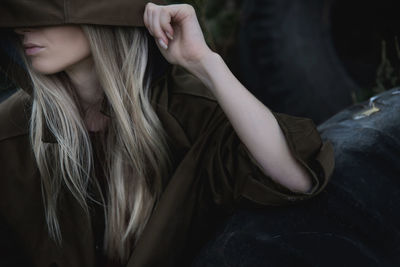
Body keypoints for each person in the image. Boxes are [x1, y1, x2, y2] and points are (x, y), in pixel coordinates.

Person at [0, 0, 334, 266]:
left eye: (45, 10)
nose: (21, 26)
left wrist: (205, 62)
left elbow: (295, 179)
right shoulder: (12, 128)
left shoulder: (185, 112)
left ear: (105, 17)